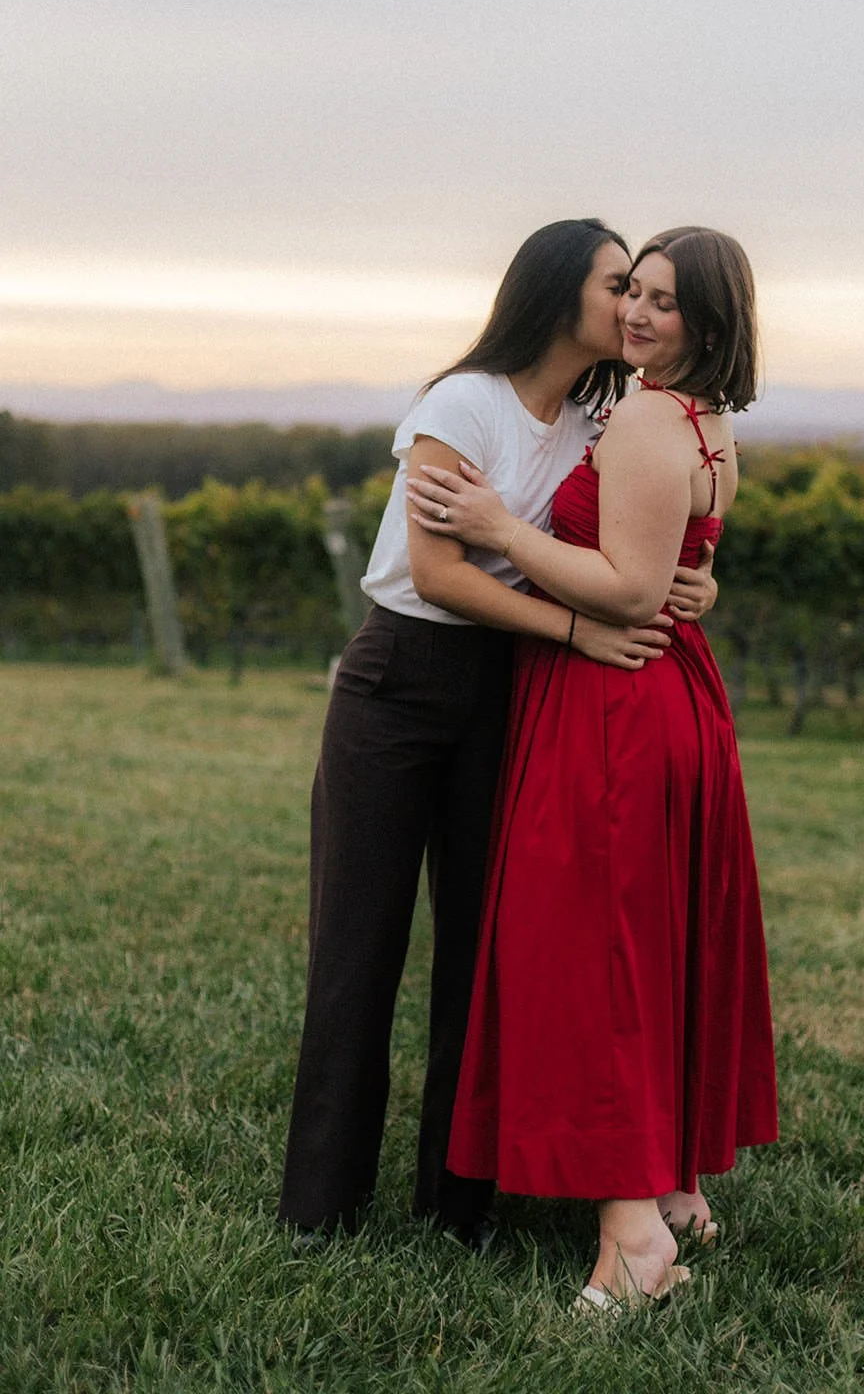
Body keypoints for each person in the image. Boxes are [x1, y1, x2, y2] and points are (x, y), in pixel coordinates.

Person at [277, 219, 718, 1250]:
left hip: (511, 691)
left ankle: (460, 1207)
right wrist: (578, 627)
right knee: (358, 947)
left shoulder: (605, 416)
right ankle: (318, 1210)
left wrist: (692, 577)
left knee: (482, 958)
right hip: (399, 681)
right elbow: (437, 574)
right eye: (618, 284)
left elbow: (645, 535)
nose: (634, 306)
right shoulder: (461, 403)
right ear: (561, 291)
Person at [407, 226, 779, 1308]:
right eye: (635, 293)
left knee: (596, 955)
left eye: (663, 302)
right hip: (673, 693)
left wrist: (492, 524)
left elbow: (623, 589)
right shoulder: (704, 425)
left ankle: (634, 1237)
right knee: (657, 941)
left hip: (614, 701)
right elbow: (678, 565)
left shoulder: (654, 421)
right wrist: (683, 580)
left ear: (708, 323)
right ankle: (674, 1187)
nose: (638, 315)